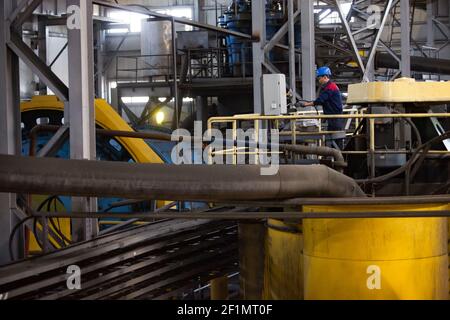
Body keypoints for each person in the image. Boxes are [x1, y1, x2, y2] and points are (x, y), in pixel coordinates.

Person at [299, 66, 345, 148]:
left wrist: (306, 104)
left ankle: (338, 157)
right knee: (333, 140)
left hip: (335, 118)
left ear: (325, 77)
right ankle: (336, 157)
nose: (318, 80)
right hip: (334, 118)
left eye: (319, 78)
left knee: (335, 140)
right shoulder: (330, 86)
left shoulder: (330, 87)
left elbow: (320, 100)